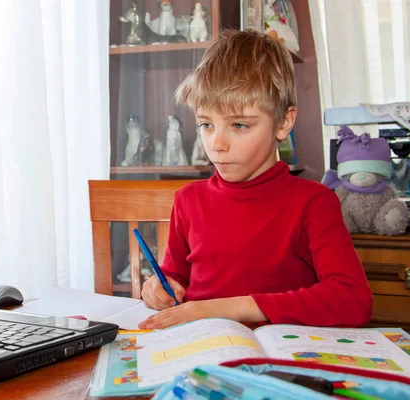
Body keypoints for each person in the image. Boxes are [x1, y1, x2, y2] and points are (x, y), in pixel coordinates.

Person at [138, 29, 372, 329]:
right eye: (206, 124)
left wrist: (235, 307)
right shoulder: (188, 200)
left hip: (277, 357)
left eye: (239, 125)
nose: (217, 144)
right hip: (199, 349)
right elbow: (175, 278)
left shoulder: (314, 203)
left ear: (284, 122)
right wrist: (159, 288)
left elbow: (353, 300)